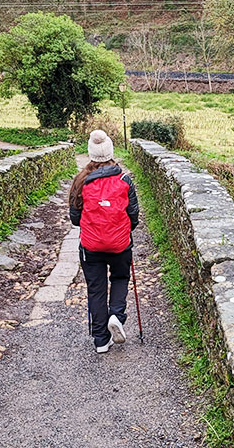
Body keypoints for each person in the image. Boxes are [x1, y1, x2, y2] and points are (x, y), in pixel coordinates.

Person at [69, 130, 139, 353]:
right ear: (111, 151)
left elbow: (75, 219)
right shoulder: (124, 180)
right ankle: (116, 315)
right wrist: (121, 231)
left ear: (90, 153)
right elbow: (134, 216)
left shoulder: (80, 182)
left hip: (91, 247)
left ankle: (101, 340)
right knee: (120, 277)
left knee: (96, 289)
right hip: (120, 245)